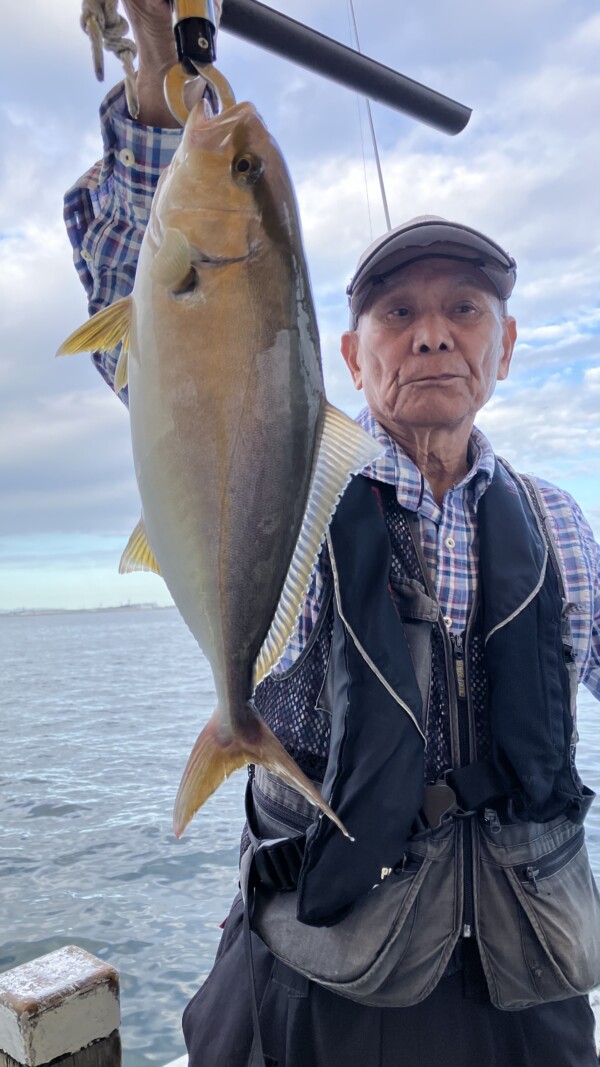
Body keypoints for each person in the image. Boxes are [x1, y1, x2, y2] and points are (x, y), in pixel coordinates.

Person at [64, 3, 600, 1064]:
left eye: (464, 308)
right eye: (398, 313)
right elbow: (154, 300)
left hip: (526, 980)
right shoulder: (281, 461)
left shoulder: (556, 522)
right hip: (324, 975)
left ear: (505, 349)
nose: (434, 330)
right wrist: (161, 81)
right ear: (351, 357)